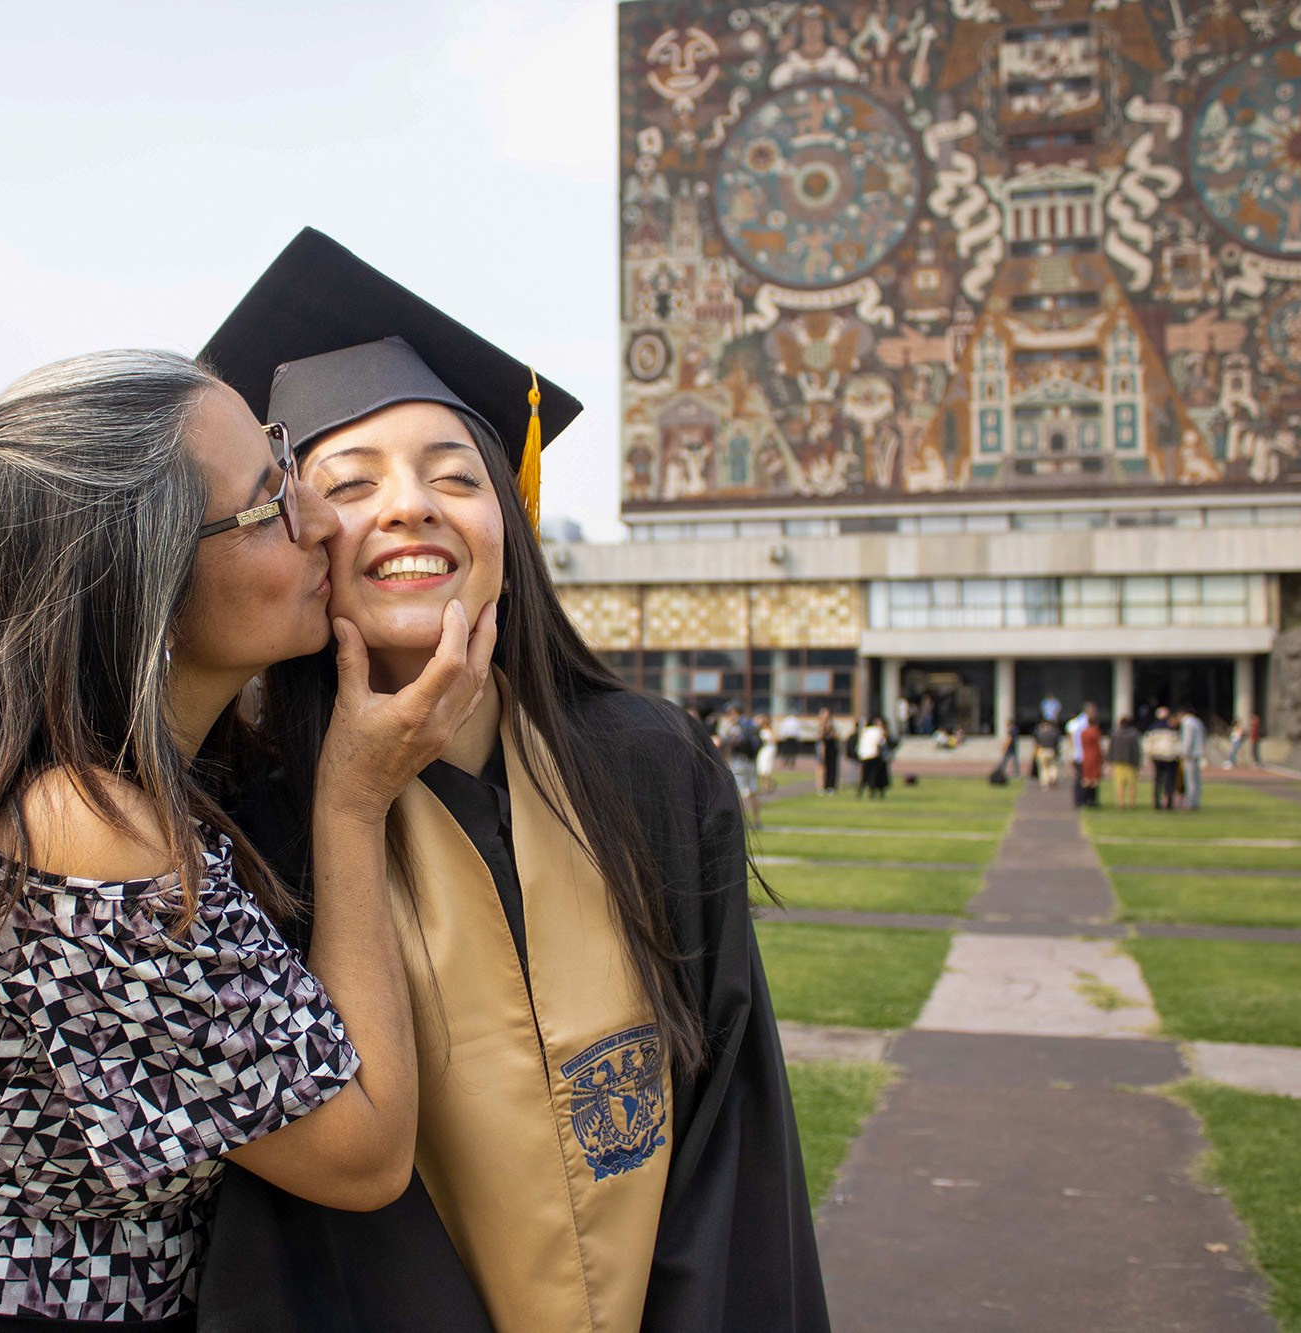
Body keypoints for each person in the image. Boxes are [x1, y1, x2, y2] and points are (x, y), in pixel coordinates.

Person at [0, 349, 489, 1332]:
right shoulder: (85, 829)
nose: (321, 515)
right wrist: (353, 805)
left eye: (281, 461)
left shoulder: (41, 754)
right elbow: (362, 1155)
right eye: (267, 503)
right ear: (145, 587)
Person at [191, 230, 826, 1330]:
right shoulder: (243, 823)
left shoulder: (649, 768)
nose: (409, 506)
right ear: (289, 541)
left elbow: (732, 1133)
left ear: (510, 521)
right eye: (348, 482)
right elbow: (286, 1237)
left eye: (455, 475)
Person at [1145, 708, 1182, 810]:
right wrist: (1177, 755)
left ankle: (1157, 802)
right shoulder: (1172, 729)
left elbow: (1148, 744)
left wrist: (1149, 756)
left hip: (1157, 757)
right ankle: (1169, 802)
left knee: (1158, 780)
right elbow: (1178, 744)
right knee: (1170, 781)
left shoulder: (1152, 728)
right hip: (1170, 757)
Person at [1108, 714, 1141, 811]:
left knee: (1119, 784)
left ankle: (1120, 803)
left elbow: (1111, 748)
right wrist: (1137, 761)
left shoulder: (1116, 733)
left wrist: (1110, 759)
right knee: (1131, 784)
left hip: (1118, 762)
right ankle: (1131, 803)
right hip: (1130, 762)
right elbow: (1136, 749)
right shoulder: (1134, 734)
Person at [1179, 705, 1206, 811]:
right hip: (1197, 753)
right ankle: (1195, 801)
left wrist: (1184, 753)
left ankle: (1190, 803)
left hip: (1190, 755)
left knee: (1190, 780)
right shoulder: (1197, 722)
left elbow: (1187, 740)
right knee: (1196, 780)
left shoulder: (1187, 723)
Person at [856, 714, 890, 799]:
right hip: (873, 755)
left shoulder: (865, 731)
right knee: (873, 775)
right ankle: (872, 793)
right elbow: (882, 742)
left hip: (864, 755)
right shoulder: (878, 731)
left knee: (864, 776)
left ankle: (859, 793)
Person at [1076, 713, 1104, 809]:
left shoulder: (1083, 732)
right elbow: (1097, 746)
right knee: (1094, 780)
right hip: (1094, 756)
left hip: (1086, 756)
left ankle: (1082, 799)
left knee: (1086, 778)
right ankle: (1091, 800)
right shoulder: (1095, 732)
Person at [817, 707, 842, 793]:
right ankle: (821, 785)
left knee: (832, 768)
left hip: (832, 748)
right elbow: (819, 737)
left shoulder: (833, 726)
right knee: (822, 767)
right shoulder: (820, 726)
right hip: (823, 748)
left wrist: (832, 732)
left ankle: (831, 786)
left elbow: (838, 736)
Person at [1033, 715, 1061, 789]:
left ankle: (1045, 783)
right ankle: (1053, 778)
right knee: (1052, 766)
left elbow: (1037, 743)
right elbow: (1057, 743)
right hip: (1051, 750)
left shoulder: (1040, 732)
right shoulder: (1054, 732)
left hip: (1042, 751)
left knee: (1043, 768)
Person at [756, 711, 779, 792]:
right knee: (761, 766)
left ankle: (766, 785)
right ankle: (767, 783)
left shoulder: (771, 729)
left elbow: (775, 739)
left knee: (766, 766)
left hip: (769, 748)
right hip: (762, 749)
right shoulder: (759, 729)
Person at [994, 718, 1020, 782]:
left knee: (1005, 760)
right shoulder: (1015, 730)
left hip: (1010, 748)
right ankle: (1016, 772)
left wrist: (1005, 747)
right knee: (1014, 760)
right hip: (1013, 748)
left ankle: (1000, 770)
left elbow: (1009, 739)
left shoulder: (1012, 730)